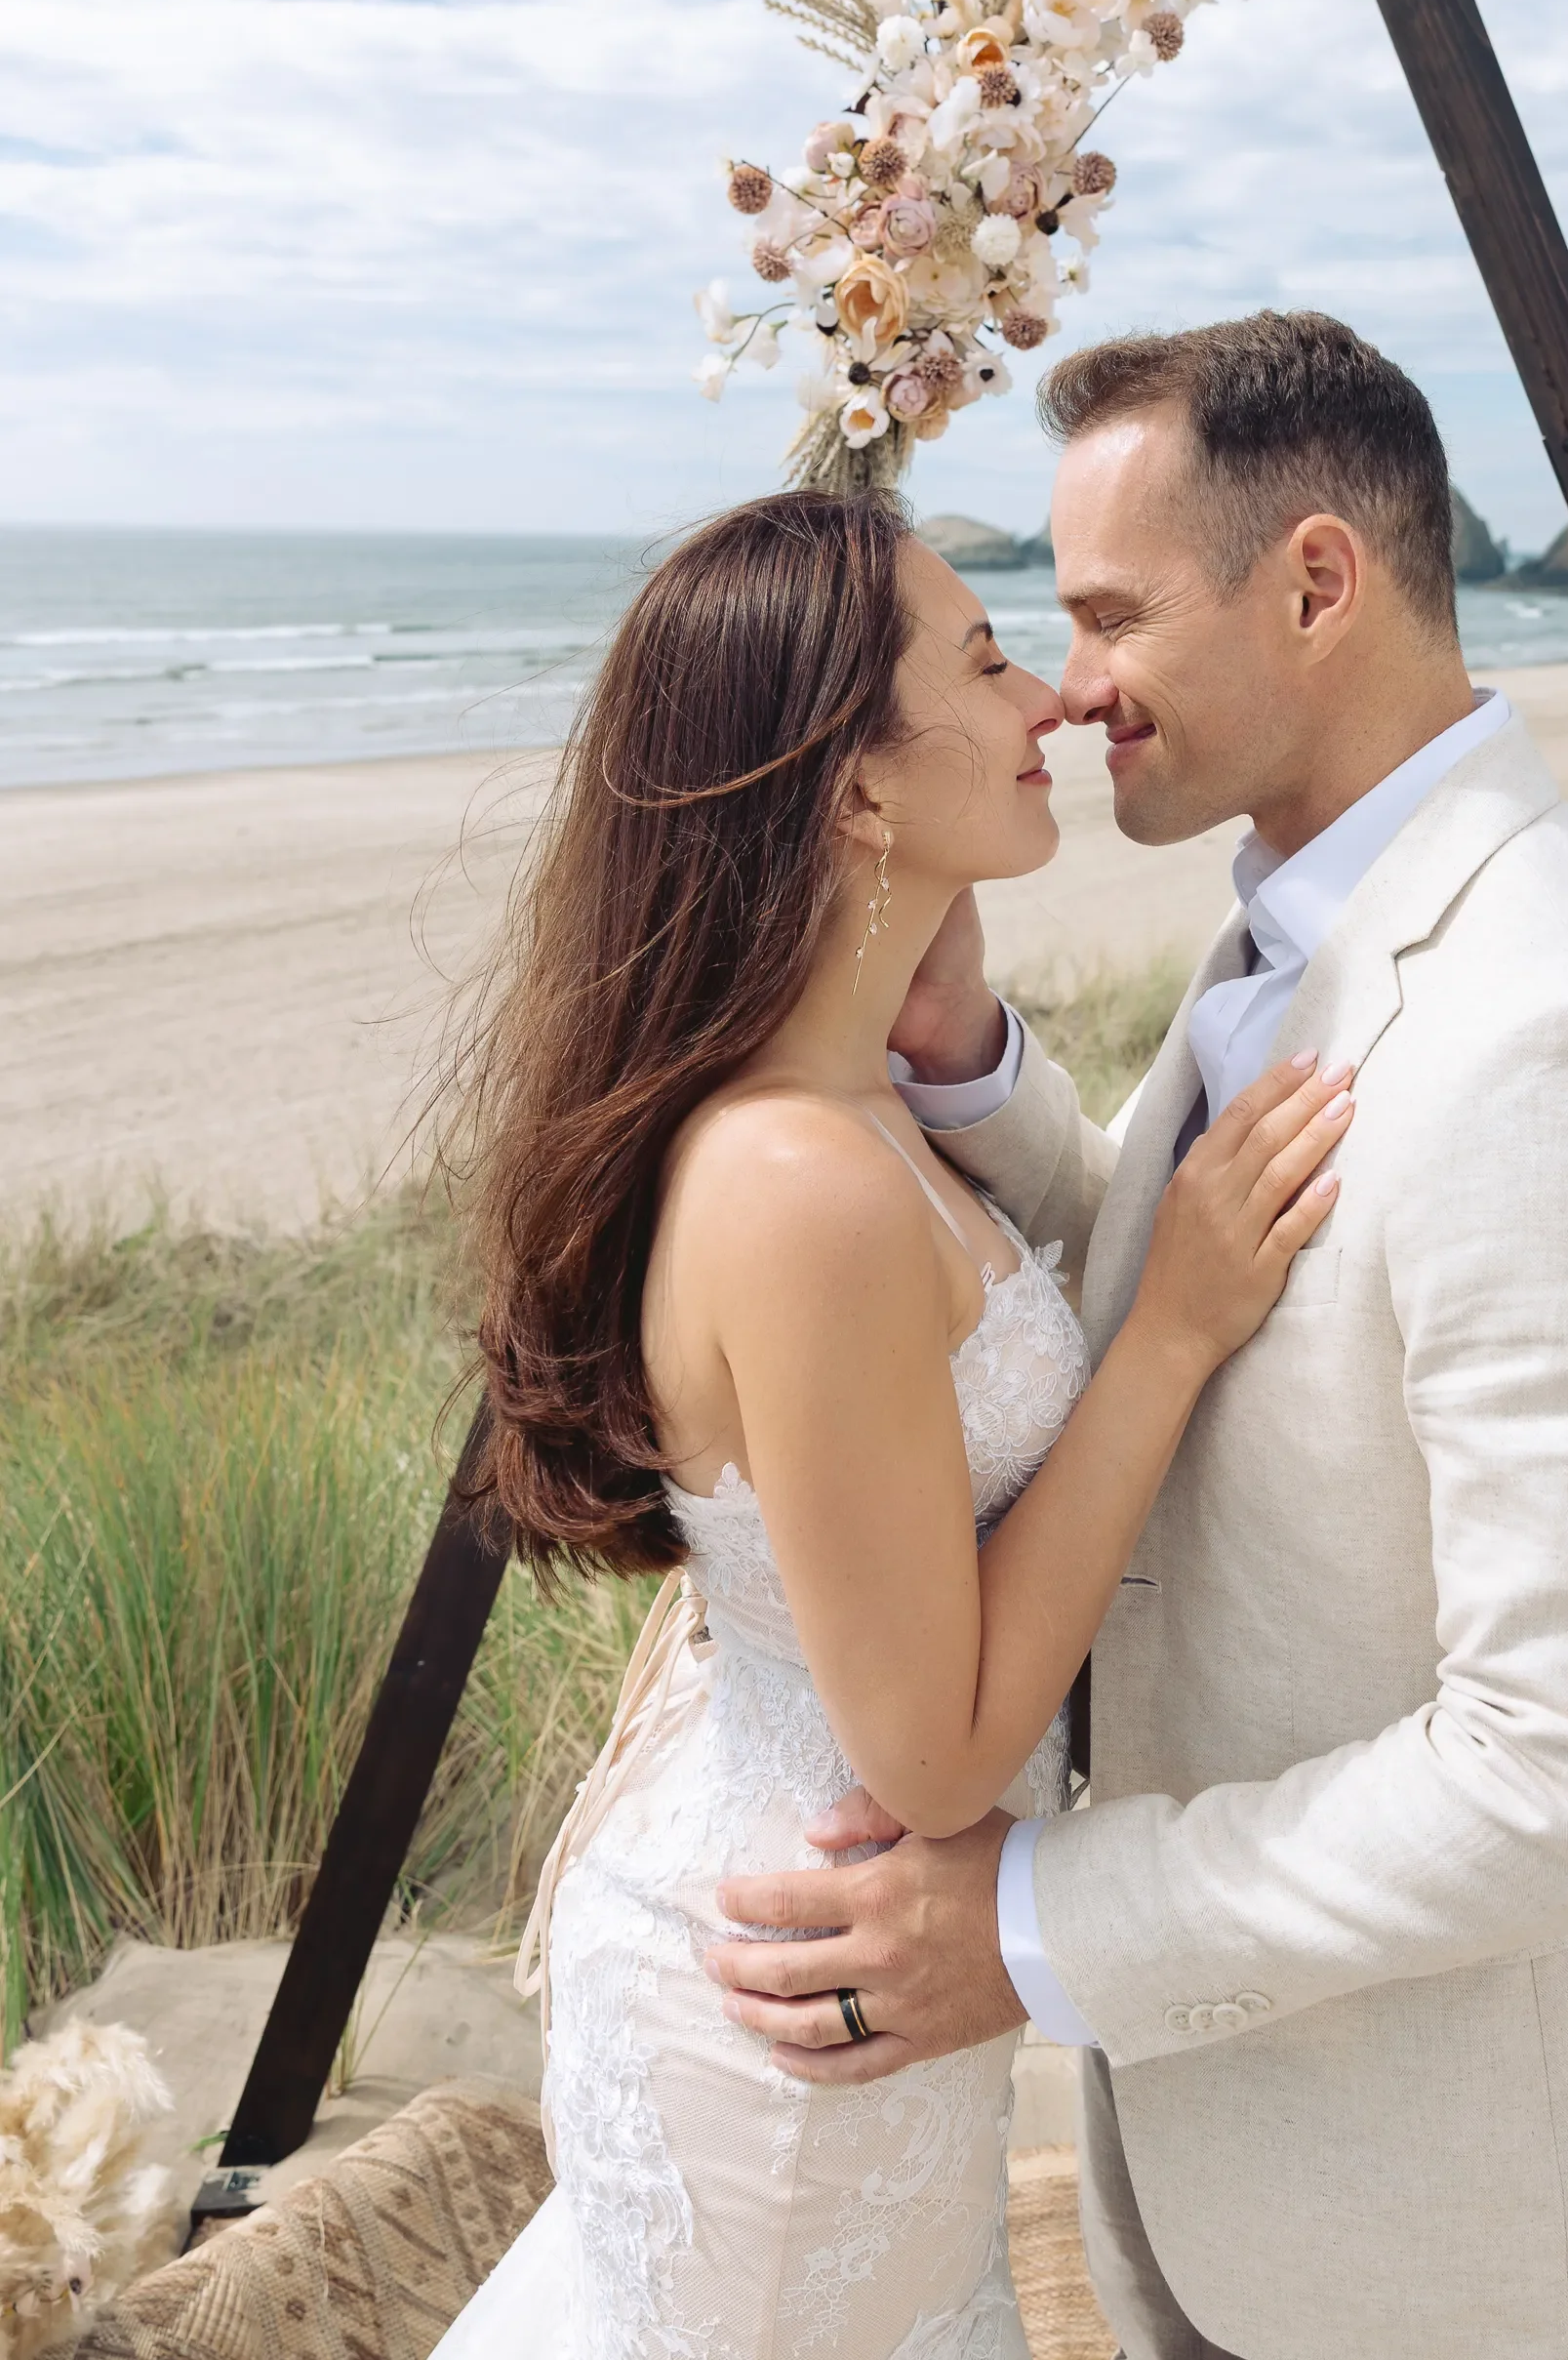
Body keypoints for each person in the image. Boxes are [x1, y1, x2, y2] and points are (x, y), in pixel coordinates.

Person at [707, 310, 1568, 2360]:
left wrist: (1029, 1928)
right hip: (1220, 2171)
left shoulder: (1553, 1030)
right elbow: (1245, 1275)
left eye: (1109, 613)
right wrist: (971, 1082)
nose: (1073, 682)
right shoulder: (1307, 904)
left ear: (1312, 584)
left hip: (1434, 2248)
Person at [429, 487, 1352, 2360]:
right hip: (791, 1997)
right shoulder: (800, 1182)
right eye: (990, 658)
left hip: (846, 1975)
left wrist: (951, 1022)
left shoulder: (855, 1117)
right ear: (852, 790)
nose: (1053, 705)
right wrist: (1169, 1333)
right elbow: (932, 1756)